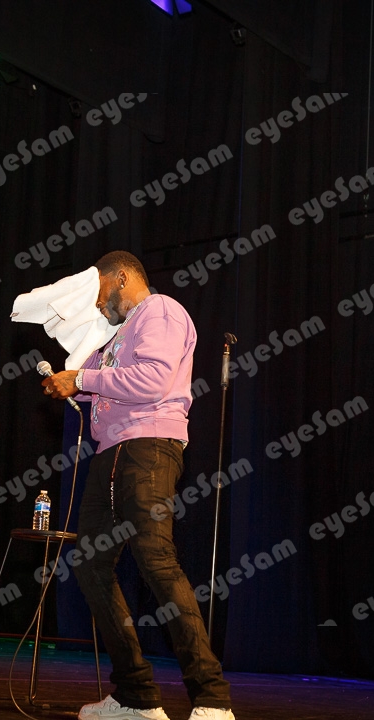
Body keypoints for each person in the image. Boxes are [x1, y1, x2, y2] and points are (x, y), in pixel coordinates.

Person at [41, 251, 235, 720]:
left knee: (156, 560)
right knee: (90, 564)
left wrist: (82, 377)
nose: (98, 303)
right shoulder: (116, 333)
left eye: (102, 292)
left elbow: (151, 380)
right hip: (112, 452)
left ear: (122, 277)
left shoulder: (160, 310)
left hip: (148, 445)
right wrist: (72, 381)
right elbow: (107, 380)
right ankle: (135, 696)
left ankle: (212, 699)